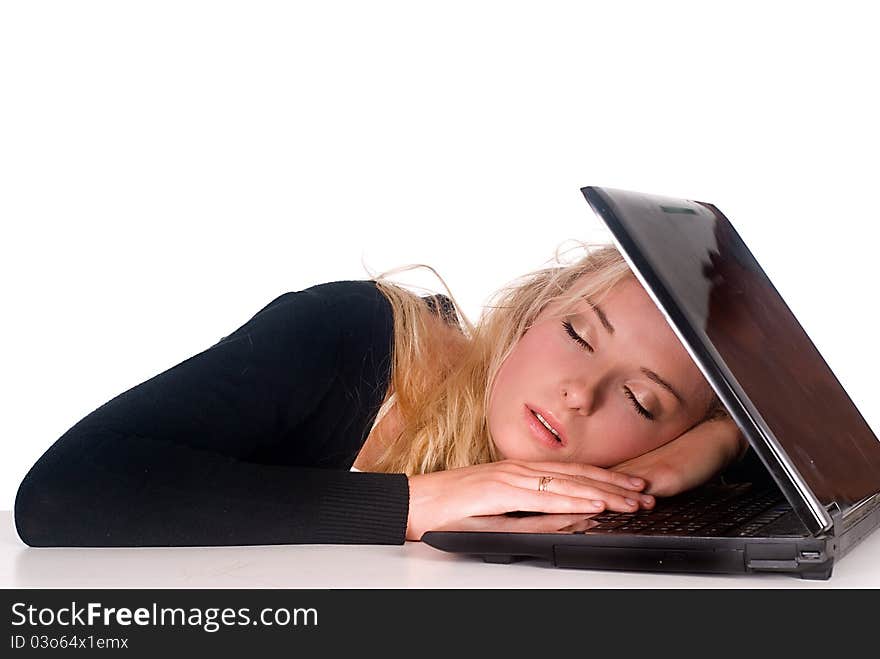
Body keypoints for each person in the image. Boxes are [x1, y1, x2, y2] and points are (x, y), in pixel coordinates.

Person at [14, 243, 747, 547]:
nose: (580, 392)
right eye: (580, 334)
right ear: (531, 315)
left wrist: (719, 440)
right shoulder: (348, 336)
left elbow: (845, 475)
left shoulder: (642, 471)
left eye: (644, 403)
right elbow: (58, 495)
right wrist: (416, 502)